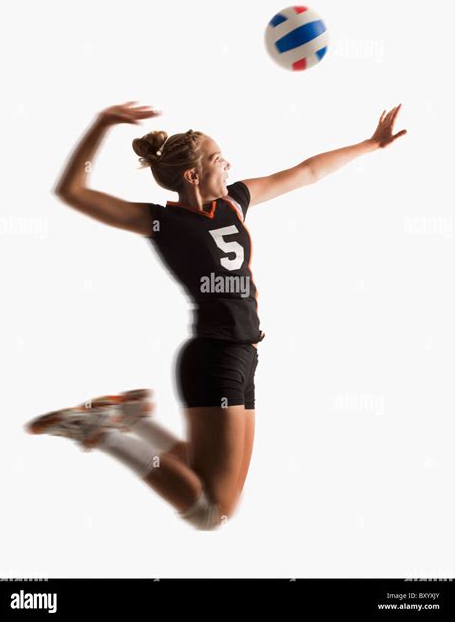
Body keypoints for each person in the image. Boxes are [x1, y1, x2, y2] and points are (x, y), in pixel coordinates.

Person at [26, 101, 407, 530]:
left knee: (212, 492)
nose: (227, 163)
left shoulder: (236, 201)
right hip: (214, 357)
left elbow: (307, 171)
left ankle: (135, 419)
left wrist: (371, 144)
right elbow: (72, 191)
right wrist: (101, 124)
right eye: (217, 157)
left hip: (244, 354)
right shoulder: (159, 222)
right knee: (210, 512)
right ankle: (102, 431)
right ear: (193, 175)